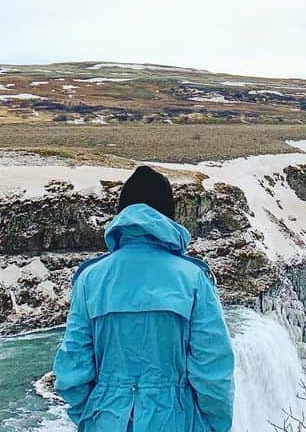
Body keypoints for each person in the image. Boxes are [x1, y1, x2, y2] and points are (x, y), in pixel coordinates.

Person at [54, 166, 235, 431]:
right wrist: (212, 427)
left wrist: (93, 417)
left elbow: (72, 369)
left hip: (105, 420)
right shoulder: (193, 279)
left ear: (122, 213)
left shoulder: (90, 280)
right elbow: (213, 370)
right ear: (168, 216)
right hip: (176, 420)